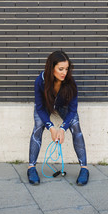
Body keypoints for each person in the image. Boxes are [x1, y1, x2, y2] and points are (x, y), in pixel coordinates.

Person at [27, 50, 89, 186]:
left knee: (75, 126)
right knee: (38, 126)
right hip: (45, 106)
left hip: (63, 107)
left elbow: (73, 110)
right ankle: (31, 168)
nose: (64, 73)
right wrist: (50, 127)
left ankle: (84, 168)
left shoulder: (70, 82)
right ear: (51, 68)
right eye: (60, 69)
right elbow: (39, 107)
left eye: (66, 69)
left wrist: (62, 128)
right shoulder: (40, 81)